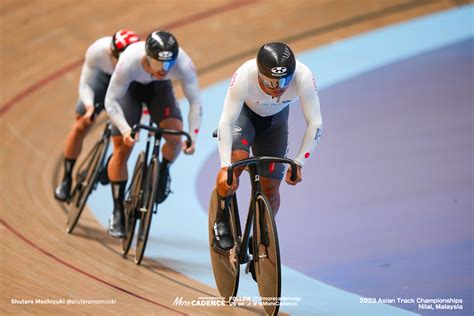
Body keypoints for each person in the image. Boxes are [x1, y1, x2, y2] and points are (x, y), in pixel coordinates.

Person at [214, 42, 323, 250]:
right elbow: (226, 122)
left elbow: (316, 123)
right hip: (244, 118)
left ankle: (260, 237)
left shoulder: (304, 76)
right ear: (259, 74)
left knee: (271, 190)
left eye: (284, 82)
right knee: (235, 164)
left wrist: (299, 162)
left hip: (275, 123)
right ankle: (221, 218)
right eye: (271, 82)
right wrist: (224, 165)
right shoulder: (244, 75)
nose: (278, 88)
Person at [105, 30, 202, 238]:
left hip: (159, 91)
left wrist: (192, 137)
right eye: (159, 64)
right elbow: (110, 101)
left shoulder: (183, 64)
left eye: (168, 65)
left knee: (176, 139)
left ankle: (162, 170)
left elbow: (196, 102)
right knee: (122, 149)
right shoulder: (129, 59)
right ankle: (117, 211)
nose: (164, 70)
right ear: (147, 57)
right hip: (129, 91)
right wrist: (124, 129)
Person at [54, 30, 140, 201]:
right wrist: (89, 107)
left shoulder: (140, 59)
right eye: (119, 59)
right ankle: (66, 178)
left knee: (127, 139)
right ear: (110, 53)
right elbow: (85, 84)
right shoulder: (97, 51)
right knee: (80, 125)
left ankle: (112, 162)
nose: (122, 63)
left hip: (127, 85)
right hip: (104, 79)